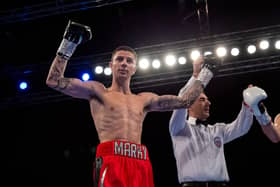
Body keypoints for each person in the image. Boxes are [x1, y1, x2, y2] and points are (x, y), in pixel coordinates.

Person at [45, 20, 206, 187]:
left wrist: (205, 74)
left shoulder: (144, 99)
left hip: (140, 162)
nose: (124, 63)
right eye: (119, 59)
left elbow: (185, 101)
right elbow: (54, 81)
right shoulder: (98, 91)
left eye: (129, 61)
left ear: (134, 68)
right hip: (110, 160)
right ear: (111, 65)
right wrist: (69, 43)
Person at [169, 56, 258, 187]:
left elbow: (242, 128)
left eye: (207, 99)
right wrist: (199, 75)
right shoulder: (179, 128)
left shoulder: (217, 130)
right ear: (190, 105)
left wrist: (248, 106)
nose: (208, 103)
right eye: (202, 99)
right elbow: (182, 99)